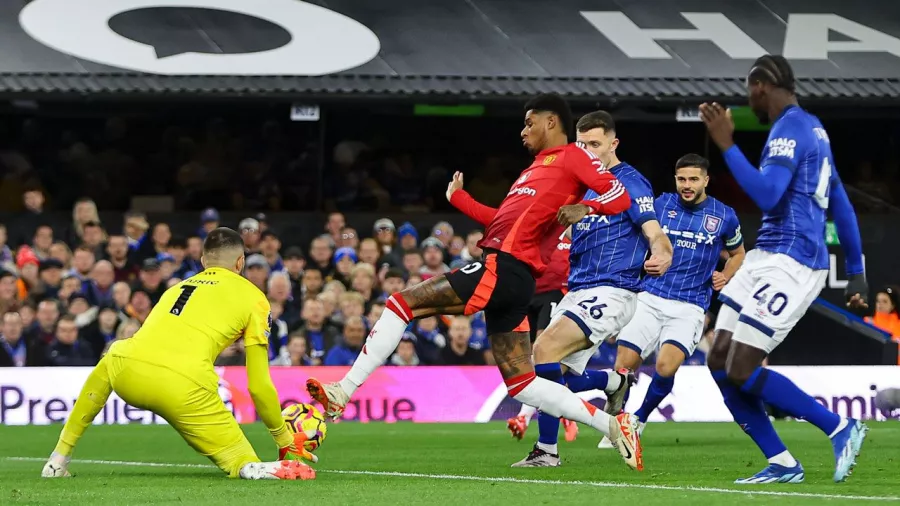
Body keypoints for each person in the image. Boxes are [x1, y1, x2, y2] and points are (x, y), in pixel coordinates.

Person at [306, 93, 642, 470]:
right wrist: (460, 199)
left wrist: (587, 206)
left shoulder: (573, 156)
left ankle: (344, 390)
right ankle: (614, 425)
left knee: (401, 303)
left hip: (504, 269)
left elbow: (619, 196)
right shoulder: (535, 170)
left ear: (551, 122)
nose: (523, 131)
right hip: (513, 279)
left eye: (529, 122)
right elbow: (500, 219)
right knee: (523, 384)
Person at [699, 54, 868, 484]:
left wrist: (726, 144)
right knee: (718, 360)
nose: (747, 101)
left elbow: (769, 195)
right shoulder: (813, 128)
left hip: (793, 261)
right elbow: (841, 202)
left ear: (759, 87)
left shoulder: (789, 129)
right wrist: (857, 268)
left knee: (740, 367)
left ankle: (839, 426)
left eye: (748, 92)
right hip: (764, 257)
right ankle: (782, 461)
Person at [41, 227, 317, 481]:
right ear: (240, 262)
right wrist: (283, 438)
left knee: (115, 352)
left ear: (202, 261)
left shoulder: (177, 288)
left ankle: (58, 459)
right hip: (184, 387)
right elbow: (257, 384)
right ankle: (254, 467)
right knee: (241, 462)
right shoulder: (254, 297)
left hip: (128, 372)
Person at [500, 110, 673, 467]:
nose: (589, 152)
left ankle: (552, 450)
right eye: (583, 145)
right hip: (577, 290)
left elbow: (654, 230)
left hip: (612, 290)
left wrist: (662, 253)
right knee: (548, 378)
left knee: (544, 349)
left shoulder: (629, 182)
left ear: (614, 143)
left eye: (596, 144)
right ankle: (610, 382)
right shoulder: (578, 183)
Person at [592, 154, 745, 448]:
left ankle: (639, 420)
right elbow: (636, 236)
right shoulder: (660, 205)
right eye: (681, 179)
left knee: (665, 367)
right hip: (650, 297)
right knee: (624, 365)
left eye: (693, 179)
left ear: (706, 181)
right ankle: (615, 423)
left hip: (689, 305)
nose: (686, 185)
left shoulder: (724, 215)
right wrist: (642, 262)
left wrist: (725, 275)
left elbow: (738, 253)